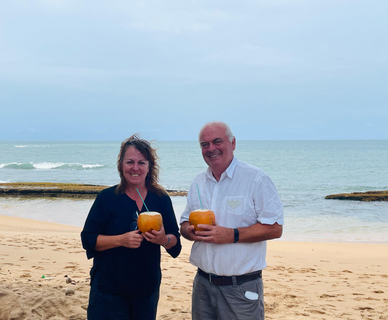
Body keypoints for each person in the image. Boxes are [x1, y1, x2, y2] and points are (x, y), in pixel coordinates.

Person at [180, 121, 284, 320]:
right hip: (202, 284)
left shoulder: (255, 178)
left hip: (242, 288)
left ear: (233, 143)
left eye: (217, 141)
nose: (211, 148)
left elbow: (275, 228)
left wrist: (232, 234)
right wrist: (189, 232)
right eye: (204, 144)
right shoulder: (198, 182)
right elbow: (184, 223)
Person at [81, 134, 182, 320]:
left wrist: (163, 240)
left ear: (149, 166)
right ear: (121, 165)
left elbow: (175, 242)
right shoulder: (107, 198)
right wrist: (121, 240)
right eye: (130, 162)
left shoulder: (160, 198)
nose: (135, 168)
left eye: (141, 162)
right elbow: (88, 239)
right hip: (108, 290)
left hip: (146, 291)